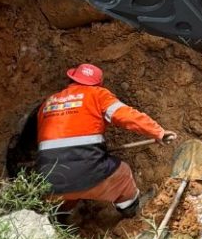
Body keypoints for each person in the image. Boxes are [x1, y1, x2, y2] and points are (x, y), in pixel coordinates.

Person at [35, 63, 176, 219]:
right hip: (88, 174)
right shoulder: (97, 94)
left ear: (71, 79)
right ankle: (131, 210)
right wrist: (158, 132)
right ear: (98, 84)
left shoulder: (47, 103)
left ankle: (59, 219)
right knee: (123, 173)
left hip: (49, 180)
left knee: (68, 187)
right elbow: (126, 115)